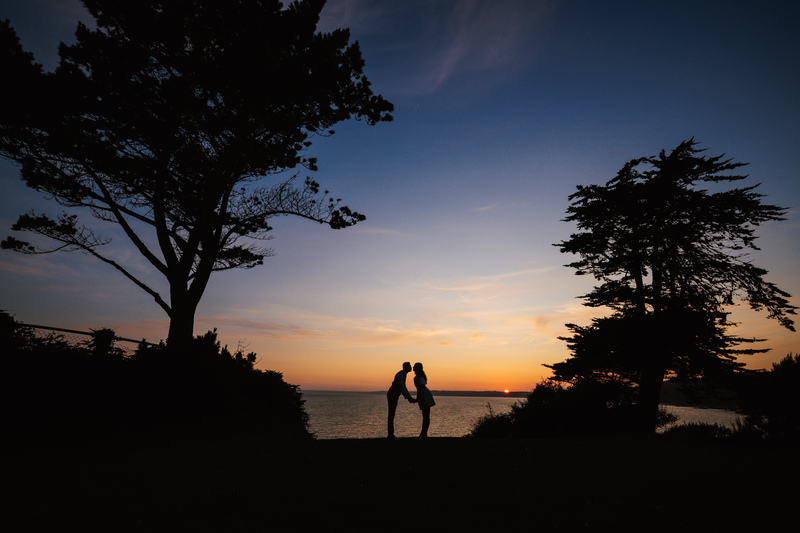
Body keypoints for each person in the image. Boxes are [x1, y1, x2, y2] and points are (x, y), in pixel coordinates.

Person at [387, 362, 416, 439]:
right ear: (406, 367)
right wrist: (409, 398)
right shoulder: (401, 375)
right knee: (391, 413)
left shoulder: (403, 374)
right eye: (409, 366)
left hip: (394, 395)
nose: (411, 367)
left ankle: (390, 434)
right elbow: (402, 387)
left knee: (392, 413)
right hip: (392, 394)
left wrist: (409, 397)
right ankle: (390, 434)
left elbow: (403, 387)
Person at [412, 362, 435, 439]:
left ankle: (423, 434)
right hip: (424, 396)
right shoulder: (419, 377)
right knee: (425, 416)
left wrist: (417, 398)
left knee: (425, 416)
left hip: (424, 396)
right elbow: (420, 389)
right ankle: (424, 434)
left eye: (414, 366)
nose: (413, 367)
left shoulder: (419, 377)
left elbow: (420, 389)